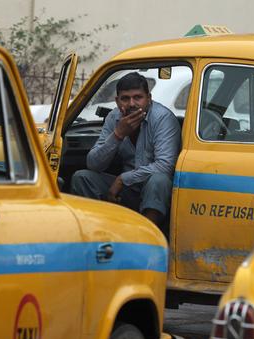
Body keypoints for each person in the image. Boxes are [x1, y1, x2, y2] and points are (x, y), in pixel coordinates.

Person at [70, 72, 181, 228]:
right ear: (117, 101)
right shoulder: (114, 118)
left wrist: (123, 179)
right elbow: (93, 164)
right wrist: (118, 134)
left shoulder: (163, 118)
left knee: (159, 180)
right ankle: (101, 235)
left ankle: (145, 237)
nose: (131, 104)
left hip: (153, 192)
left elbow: (166, 165)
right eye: (125, 98)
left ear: (149, 98)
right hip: (127, 191)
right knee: (82, 177)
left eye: (138, 97)